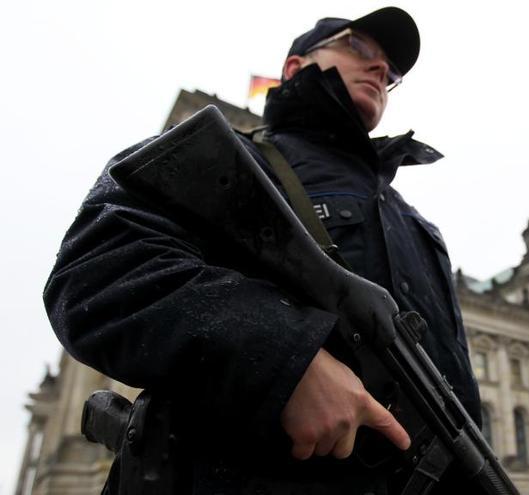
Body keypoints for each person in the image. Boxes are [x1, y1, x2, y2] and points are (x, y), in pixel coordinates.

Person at [44, 7, 481, 494]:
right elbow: (98, 271)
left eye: (393, 72)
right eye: (358, 46)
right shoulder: (236, 159)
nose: (382, 69)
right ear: (295, 68)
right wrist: (285, 358)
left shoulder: (417, 225)